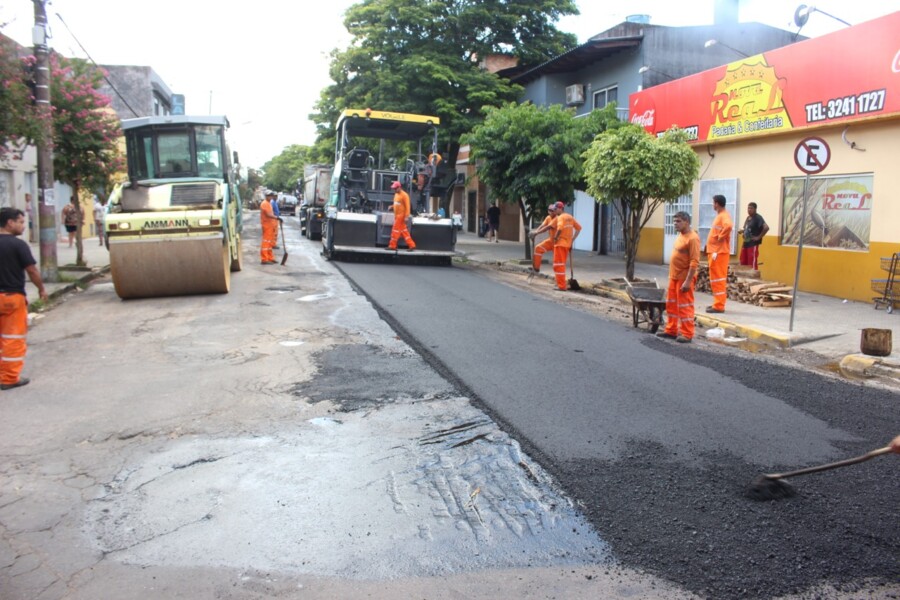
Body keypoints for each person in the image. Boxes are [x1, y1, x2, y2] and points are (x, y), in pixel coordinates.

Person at [0, 207, 48, 390]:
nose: (23, 226)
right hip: (12, 298)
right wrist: (41, 289)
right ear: (10, 223)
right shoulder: (17, 245)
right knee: (13, 339)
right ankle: (9, 379)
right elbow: (31, 270)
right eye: (20, 222)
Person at [658, 211, 701, 343]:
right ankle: (671, 330)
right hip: (674, 276)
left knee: (685, 306)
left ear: (686, 222)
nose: (675, 224)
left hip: (684, 278)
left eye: (678, 221)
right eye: (674, 221)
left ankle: (687, 333)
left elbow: (694, 262)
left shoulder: (692, 238)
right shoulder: (680, 236)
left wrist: (688, 282)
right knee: (671, 305)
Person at [705, 194, 733, 314]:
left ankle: (719, 305)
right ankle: (717, 303)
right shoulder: (721, 216)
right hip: (716, 251)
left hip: (719, 252)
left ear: (716, 203)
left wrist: (721, 237)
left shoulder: (724, 216)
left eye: (713, 203)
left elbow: (729, 226)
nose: (713, 205)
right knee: (715, 279)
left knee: (718, 279)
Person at [551, 204, 581, 291]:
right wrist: (572, 240)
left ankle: (561, 286)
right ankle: (561, 284)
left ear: (561, 208)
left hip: (560, 244)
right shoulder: (570, 217)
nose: (555, 211)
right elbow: (579, 228)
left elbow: (559, 228)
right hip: (567, 245)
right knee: (560, 265)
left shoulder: (561, 217)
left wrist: (555, 238)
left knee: (558, 265)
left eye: (556, 209)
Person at [529, 201, 561, 275]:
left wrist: (536, 233)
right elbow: (542, 225)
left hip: (557, 242)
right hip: (551, 241)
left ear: (555, 211)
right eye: (549, 210)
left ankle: (559, 278)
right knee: (538, 248)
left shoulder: (557, 218)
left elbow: (547, 227)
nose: (551, 212)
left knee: (557, 262)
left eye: (552, 210)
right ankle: (536, 268)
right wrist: (535, 232)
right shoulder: (548, 217)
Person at [739, 202, 769, 270]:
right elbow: (746, 228)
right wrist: (743, 232)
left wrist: (758, 237)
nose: (749, 210)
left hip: (752, 244)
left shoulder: (758, 218)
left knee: (751, 263)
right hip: (745, 243)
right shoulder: (748, 218)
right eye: (748, 208)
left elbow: (766, 228)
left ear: (755, 209)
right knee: (743, 262)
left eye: (751, 208)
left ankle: (753, 278)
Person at [387, 181, 416, 251]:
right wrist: (392, 207)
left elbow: (407, 207)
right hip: (397, 216)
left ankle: (392, 246)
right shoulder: (396, 194)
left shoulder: (405, 195)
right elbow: (396, 204)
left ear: (399, 187)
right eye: (394, 188)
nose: (394, 190)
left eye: (395, 188)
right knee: (404, 231)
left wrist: (406, 217)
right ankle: (412, 245)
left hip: (401, 216)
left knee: (395, 231)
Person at [259, 192, 281, 264]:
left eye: (271, 196)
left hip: (270, 225)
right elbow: (268, 215)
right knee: (266, 242)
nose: (271, 197)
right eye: (269, 196)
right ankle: (264, 259)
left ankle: (270, 257)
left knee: (270, 243)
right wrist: (277, 217)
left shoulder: (268, 203)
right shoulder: (264, 204)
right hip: (266, 225)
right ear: (266, 196)